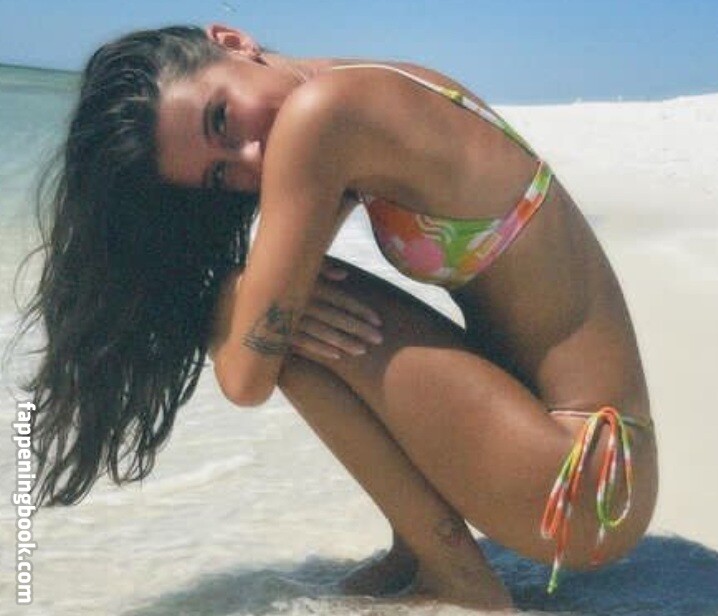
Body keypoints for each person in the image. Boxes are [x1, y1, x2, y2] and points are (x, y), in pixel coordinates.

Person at [20, 24, 658, 611]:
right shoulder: (375, 85)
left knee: (241, 306)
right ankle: (417, 550)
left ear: (232, 40)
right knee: (273, 306)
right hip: (597, 480)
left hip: (583, 485)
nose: (250, 159)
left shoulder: (322, 115)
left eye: (222, 118)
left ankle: (459, 578)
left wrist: (248, 311)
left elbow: (245, 379)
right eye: (220, 176)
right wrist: (275, 306)